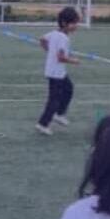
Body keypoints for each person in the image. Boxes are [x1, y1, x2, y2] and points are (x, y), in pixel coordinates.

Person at [36, 7, 81, 137]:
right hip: (56, 72)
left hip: (56, 71)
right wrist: (74, 61)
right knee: (54, 99)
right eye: (73, 23)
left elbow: (42, 39)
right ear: (64, 23)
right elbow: (61, 58)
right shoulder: (63, 38)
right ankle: (43, 124)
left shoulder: (54, 33)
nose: (75, 26)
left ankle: (59, 114)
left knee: (69, 88)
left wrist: (48, 50)